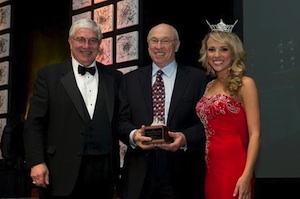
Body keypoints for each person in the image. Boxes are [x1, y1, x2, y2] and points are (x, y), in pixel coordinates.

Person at [23, 18, 123, 198]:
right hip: (59, 172)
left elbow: (120, 120)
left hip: (104, 174)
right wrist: (36, 162)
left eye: (93, 40)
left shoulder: (115, 77)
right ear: (70, 42)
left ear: (99, 45)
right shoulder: (48, 75)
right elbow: (34, 124)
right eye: (81, 39)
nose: (87, 45)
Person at [118, 23, 208, 199]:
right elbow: (120, 121)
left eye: (165, 41)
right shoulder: (130, 80)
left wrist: (185, 138)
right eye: (154, 40)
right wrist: (134, 135)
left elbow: (205, 124)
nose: (159, 46)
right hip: (139, 171)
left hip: (182, 171)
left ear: (177, 45)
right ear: (148, 44)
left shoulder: (198, 79)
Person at [196, 19, 261, 199]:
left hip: (236, 168)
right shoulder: (209, 86)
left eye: (224, 49)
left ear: (234, 53)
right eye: (211, 49)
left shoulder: (245, 84)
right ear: (206, 54)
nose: (217, 55)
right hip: (212, 168)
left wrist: (247, 175)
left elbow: (255, 134)